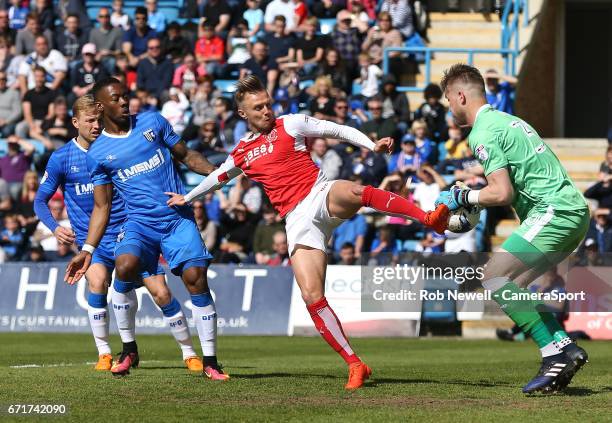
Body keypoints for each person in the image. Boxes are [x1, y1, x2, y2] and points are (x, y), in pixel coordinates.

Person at [165, 75, 449, 390]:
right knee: (312, 296)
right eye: (258, 107)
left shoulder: (291, 123)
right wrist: (187, 198)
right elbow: (218, 177)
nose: (266, 111)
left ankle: (428, 218)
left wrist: (372, 144)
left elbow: (336, 129)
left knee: (356, 191)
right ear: (243, 114)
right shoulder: (243, 151)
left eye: (268, 104)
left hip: (318, 193)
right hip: (297, 220)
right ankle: (355, 364)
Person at [436, 64, 590, 393]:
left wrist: (462, 196)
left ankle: (553, 356)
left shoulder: (482, 131)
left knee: (493, 276)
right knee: (513, 286)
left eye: (449, 100)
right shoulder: (508, 120)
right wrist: (473, 197)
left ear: (461, 96)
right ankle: (564, 347)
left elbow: (501, 193)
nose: (449, 107)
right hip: (569, 213)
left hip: (555, 212)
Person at [63, 79, 228, 380]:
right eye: (117, 98)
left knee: (195, 278)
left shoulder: (152, 122)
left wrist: (218, 172)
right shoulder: (97, 154)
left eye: (126, 96)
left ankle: (211, 361)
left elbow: (186, 154)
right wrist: (87, 250)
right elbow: (102, 207)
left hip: (176, 218)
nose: (125, 102)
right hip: (138, 223)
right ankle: (129, 349)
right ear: (101, 107)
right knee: (124, 266)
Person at [34, 95, 204, 374]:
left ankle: (189, 353)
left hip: (130, 231)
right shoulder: (62, 158)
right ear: (75, 122)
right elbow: (40, 201)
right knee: (98, 281)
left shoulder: (115, 149)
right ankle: (105, 353)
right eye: (89, 121)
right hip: (95, 242)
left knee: (161, 292)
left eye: (98, 120)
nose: (96, 125)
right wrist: (55, 227)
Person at [0, 70, 21, 136]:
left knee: (6, 131)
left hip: (9, 122)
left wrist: (5, 121)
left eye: (3, 79)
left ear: (6, 80)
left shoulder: (14, 93)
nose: (1, 81)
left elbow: (18, 112)